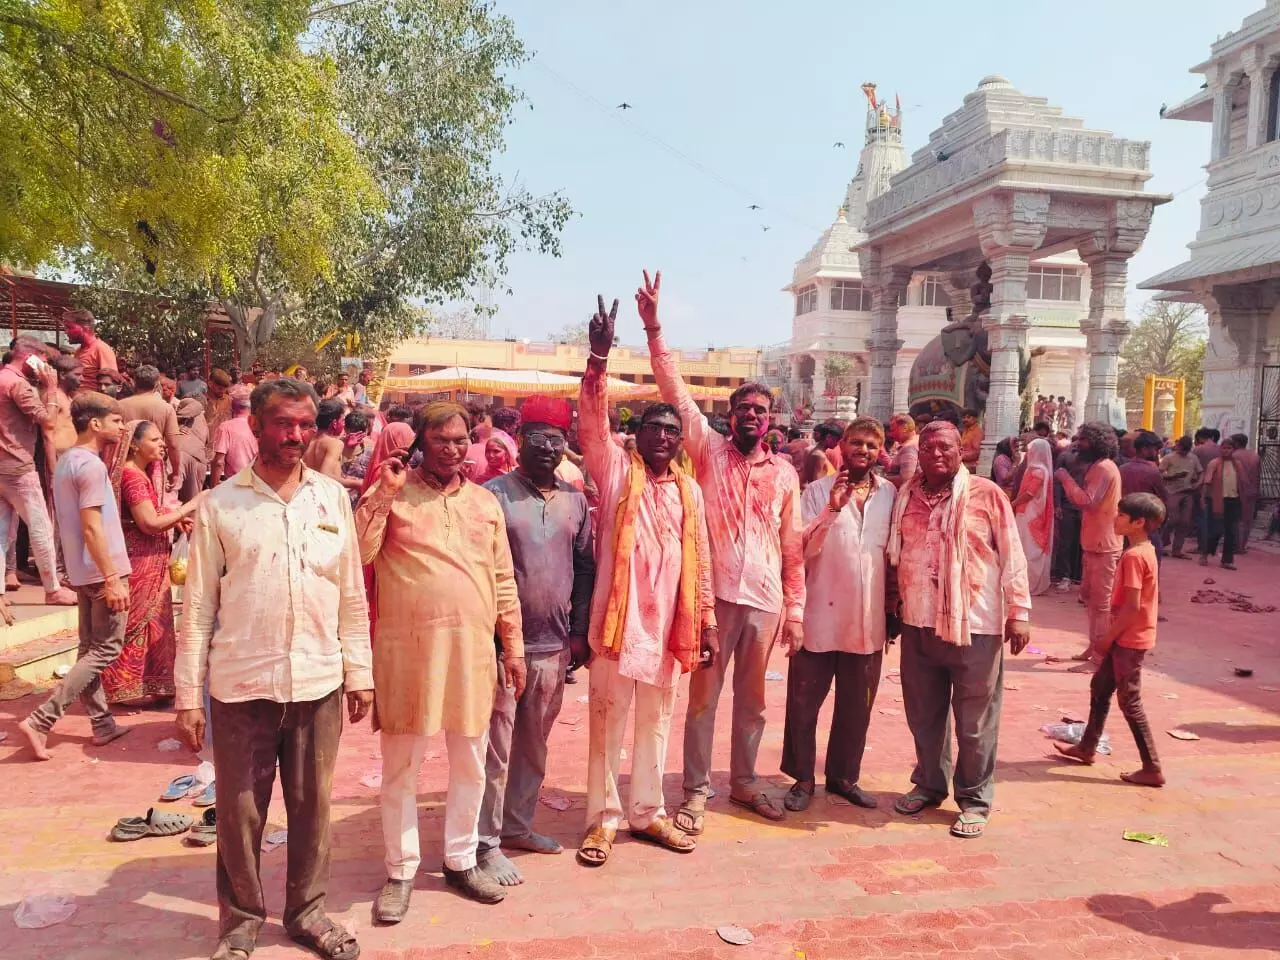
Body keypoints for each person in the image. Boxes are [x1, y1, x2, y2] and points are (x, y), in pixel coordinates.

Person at [175, 377, 372, 960]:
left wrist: (359, 672)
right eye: (283, 423)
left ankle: (308, 913)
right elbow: (198, 609)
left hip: (318, 681)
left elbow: (351, 597)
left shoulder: (332, 499)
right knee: (239, 814)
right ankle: (239, 924)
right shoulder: (220, 505)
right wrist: (189, 695)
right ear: (255, 427)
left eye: (305, 424)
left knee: (313, 807)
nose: (295, 435)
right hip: (241, 685)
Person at [640, 270, 805, 829]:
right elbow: (675, 391)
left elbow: (793, 545)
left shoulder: (784, 474)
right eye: (744, 410)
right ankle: (694, 789)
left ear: (771, 421)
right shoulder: (709, 452)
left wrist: (795, 610)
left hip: (763, 603)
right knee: (703, 700)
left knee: (754, 703)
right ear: (730, 417)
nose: (752, 418)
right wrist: (654, 327)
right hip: (712, 602)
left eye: (761, 412)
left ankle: (744, 783)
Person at [357, 402, 525, 918]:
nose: (452, 450)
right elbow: (359, 552)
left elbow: (502, 578)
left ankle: (458, 859)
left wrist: (512, 645)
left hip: (472, 652)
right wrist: (384, 493)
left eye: (460, 440)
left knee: (471, 761)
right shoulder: (392, 493)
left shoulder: (484, 502)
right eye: (441, 441)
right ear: (421, 445)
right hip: (407, 653)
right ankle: (401, 869)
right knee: (401, 767)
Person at [575, 295, 715, 867]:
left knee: (657, 723)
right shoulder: (614, 474)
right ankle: (602, 819)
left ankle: (647, 812)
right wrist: (598, 359)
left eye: (672, 431)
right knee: (607, 723)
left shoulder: (689, 491)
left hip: (667, 628)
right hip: (617, 624)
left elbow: (700, 562)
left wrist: (704, 623)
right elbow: (590, 422)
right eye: (654, 429)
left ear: (681, 442)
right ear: (635, 436)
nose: (663, 437)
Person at [887, 420, 1031, 839]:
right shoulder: (905, 497)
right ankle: (929, 785)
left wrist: (1018, 611)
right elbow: (894, 558)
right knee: (924, 716)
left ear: (961, 451)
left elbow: (1011, 552)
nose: (935, 454)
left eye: (945, 447)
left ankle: (974, 798)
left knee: (974, 721)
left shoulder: (987, 495)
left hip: (977, 625)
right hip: (918, 621)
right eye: (928, 446)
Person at [477, 395, 594, 885]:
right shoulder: (491, 496)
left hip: (554, 644)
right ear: (519, 441)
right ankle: (483, 842)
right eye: (539, 438)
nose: (548, 447)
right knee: (495, 745)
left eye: (557, 439)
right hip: (501, 647)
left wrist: (581, 632)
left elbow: (586, 567)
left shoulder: (575, 500)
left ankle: (518, 826)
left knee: (533, 743)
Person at [782, 417, 895, 812]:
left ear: (880, 451)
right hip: (819, 612)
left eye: (870, 444)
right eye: (855, 443)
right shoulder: (815, 491)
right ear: (842, 447)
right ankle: (801, 778)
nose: (862, 450)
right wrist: (832, 509)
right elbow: (801, 549)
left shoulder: (890, 495)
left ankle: (844, 776)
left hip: (866, 620)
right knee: (803, 702)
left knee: (856, 704)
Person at [17, 393, 132, 759]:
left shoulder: (67, 462)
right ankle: (41, 719)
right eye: (115, 420)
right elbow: (91, 527)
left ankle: (102, 724)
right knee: (106, 648)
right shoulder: (91, 467)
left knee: (88, 649)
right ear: (95, 424)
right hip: (101, 571)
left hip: (84, 572)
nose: (121, 426)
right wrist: (112, 577)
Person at [1054, 493, 1165, 788]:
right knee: (1100, 687)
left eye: (1121, 516)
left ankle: (1152, 767)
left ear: (1138, 523)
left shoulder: (1133, 556)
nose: (1115, 519)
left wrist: (1106, 639)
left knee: (1130, 701)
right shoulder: (1145, 551)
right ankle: (1087, 747)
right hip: (1128, 635)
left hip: (1129, 637)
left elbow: (1133, 606)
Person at [99, 421, 202, 706]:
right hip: (140, 560)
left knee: (156, 623)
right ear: (135, 445)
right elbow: (148, 523)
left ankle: (157, 685)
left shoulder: (141, 473)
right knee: (138, 625)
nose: (162, 444)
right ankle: (121, 687)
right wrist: (189, 506)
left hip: (150, 559)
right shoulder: (133, 477)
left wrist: (175, 517)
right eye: (155, 439)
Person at [0, 337, 77, 605]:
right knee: (42, 527)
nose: (45, 368)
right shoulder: (18, 385)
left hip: (3, 466)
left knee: (2, 530)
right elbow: (48, 422)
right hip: (18, 466)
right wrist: (52, 389)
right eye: (42, 362)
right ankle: (53, 589)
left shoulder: (2, 378)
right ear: (30, 357)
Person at [1056, 422, 1122, 665]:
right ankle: (1094, 647)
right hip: (1095, 542)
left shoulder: (1104, 468)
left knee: (1101, 604)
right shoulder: (1098, 467)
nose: (1077, 444)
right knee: (1091, 600)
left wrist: (1064, 478)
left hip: (1104, 545)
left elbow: (1088, 500)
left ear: (1095, 443)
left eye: (1082, 440)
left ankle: (1100, 655)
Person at [117, 364, 183, 483]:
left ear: (134, 382)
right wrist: (176, 472)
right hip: (154, 465)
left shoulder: (120, 405)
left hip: (127, 464)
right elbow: (173, 445)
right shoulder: (166, 408)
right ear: (157, 384)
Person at [1012, 437, 1054, 596]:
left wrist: (1014, 503)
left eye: (1032, 450)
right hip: (1025, 511)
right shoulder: (1034, 468)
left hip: (1031, 513)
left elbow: (1030, 494)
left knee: (1029, 547)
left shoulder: (1038, 471)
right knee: (1023, 545)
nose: (1029, 453)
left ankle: (1029, 583)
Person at [1119, 430, 1169, 558]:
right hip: (1146, 524)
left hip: (1125, 522)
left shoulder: (1122, 469)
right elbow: (1163, 500)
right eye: (1155, 449)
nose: (1157, 453)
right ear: (1144, 449)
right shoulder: (1152, 471)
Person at [1201, 437, 1243, 570]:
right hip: (1217, 500)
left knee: (1230, 531)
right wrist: (1202, 498)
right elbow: (1207, 482)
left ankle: (1227, 560)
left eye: (1229, 448)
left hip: (1233, 500)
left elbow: (1242, 482)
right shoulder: (1214, 463)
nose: (1226, 451)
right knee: (1216, 530)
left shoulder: (1238, 464)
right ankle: (1205, 553)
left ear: (1233, 450)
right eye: (1224, 448)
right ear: (1220, 449)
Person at [1159, 436, 1202, 559]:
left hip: (1188, 491)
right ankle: (1162, 544)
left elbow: (1200, 472)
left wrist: (1198, 483)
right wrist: (1173, 476)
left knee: (1185, 522)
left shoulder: (1193, 458)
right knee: (1172, 519)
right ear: (1177, 446)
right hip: (1172, 491)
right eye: (1182, 449)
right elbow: (1160, 473)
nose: (1184, 452)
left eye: (1186, 450)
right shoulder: (1169, 458)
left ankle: (1177, 549)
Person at [210, 388, 258, 487]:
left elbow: (219, 462)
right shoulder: (260, 426)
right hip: (258, 483)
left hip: (235, 484)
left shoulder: (226, 427)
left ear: (232, 408)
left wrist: (213, 487)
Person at [63, 308, 117, 393]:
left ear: (85, 328)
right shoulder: (78, 351)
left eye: (69, 328)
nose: (66, 332)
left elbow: (111, 385)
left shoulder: (101, 349)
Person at [1229, 433, 1261, 554]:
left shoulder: (1234, 455)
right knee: (1247, 520)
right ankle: (1242, 546)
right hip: (1251, 490)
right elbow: (1258, 476)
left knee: (1236, 519)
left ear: (1236, 443)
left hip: (1236, 490)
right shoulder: (1255, 456)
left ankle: (1236, 545)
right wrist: (1257, 490)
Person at [175, 398, 210, 503]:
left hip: (180, 454)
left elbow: (196, 405)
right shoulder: (203, 422)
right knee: (192, 500)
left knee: (172, 495)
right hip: (198, 458)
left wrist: (174, 420)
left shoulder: (192, 406)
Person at [800, 422, 842, 488]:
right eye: (836, 440)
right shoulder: (819, 456)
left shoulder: (814, 453)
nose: (837, 443)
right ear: (828, 438)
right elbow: (816, 483)